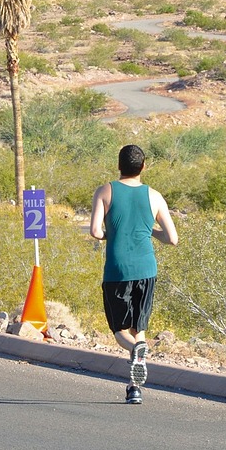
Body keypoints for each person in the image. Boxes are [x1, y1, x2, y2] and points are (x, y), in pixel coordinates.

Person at [89, 144, 179, 405]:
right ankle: (134, 388)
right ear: (143, 167)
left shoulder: (105, 191)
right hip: (146, 269)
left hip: (117, 269)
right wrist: (151, 231)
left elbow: (95, 231)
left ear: (119, 165)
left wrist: (111, 234)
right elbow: (172, 238)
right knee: (138, 327)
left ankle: (135, 350)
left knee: (119, 329)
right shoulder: (155, 196)